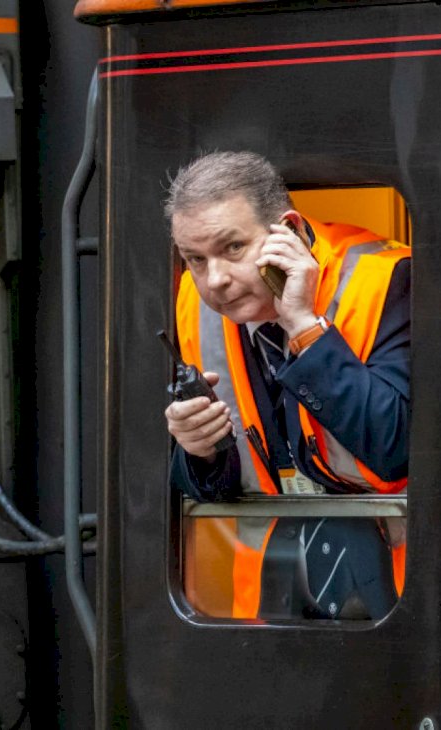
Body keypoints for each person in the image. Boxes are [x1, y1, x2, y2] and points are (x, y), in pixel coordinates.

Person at [163, 151, 410, 620]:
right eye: (195, 258)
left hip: (398, 597)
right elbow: (212, 485)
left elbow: (395, 446)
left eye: (233, 248)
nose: (215, 280)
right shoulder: (193, 306)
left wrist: (303, 325)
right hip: (271, 601)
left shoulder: (386, 281)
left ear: (290, 232)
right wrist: (200, 452)